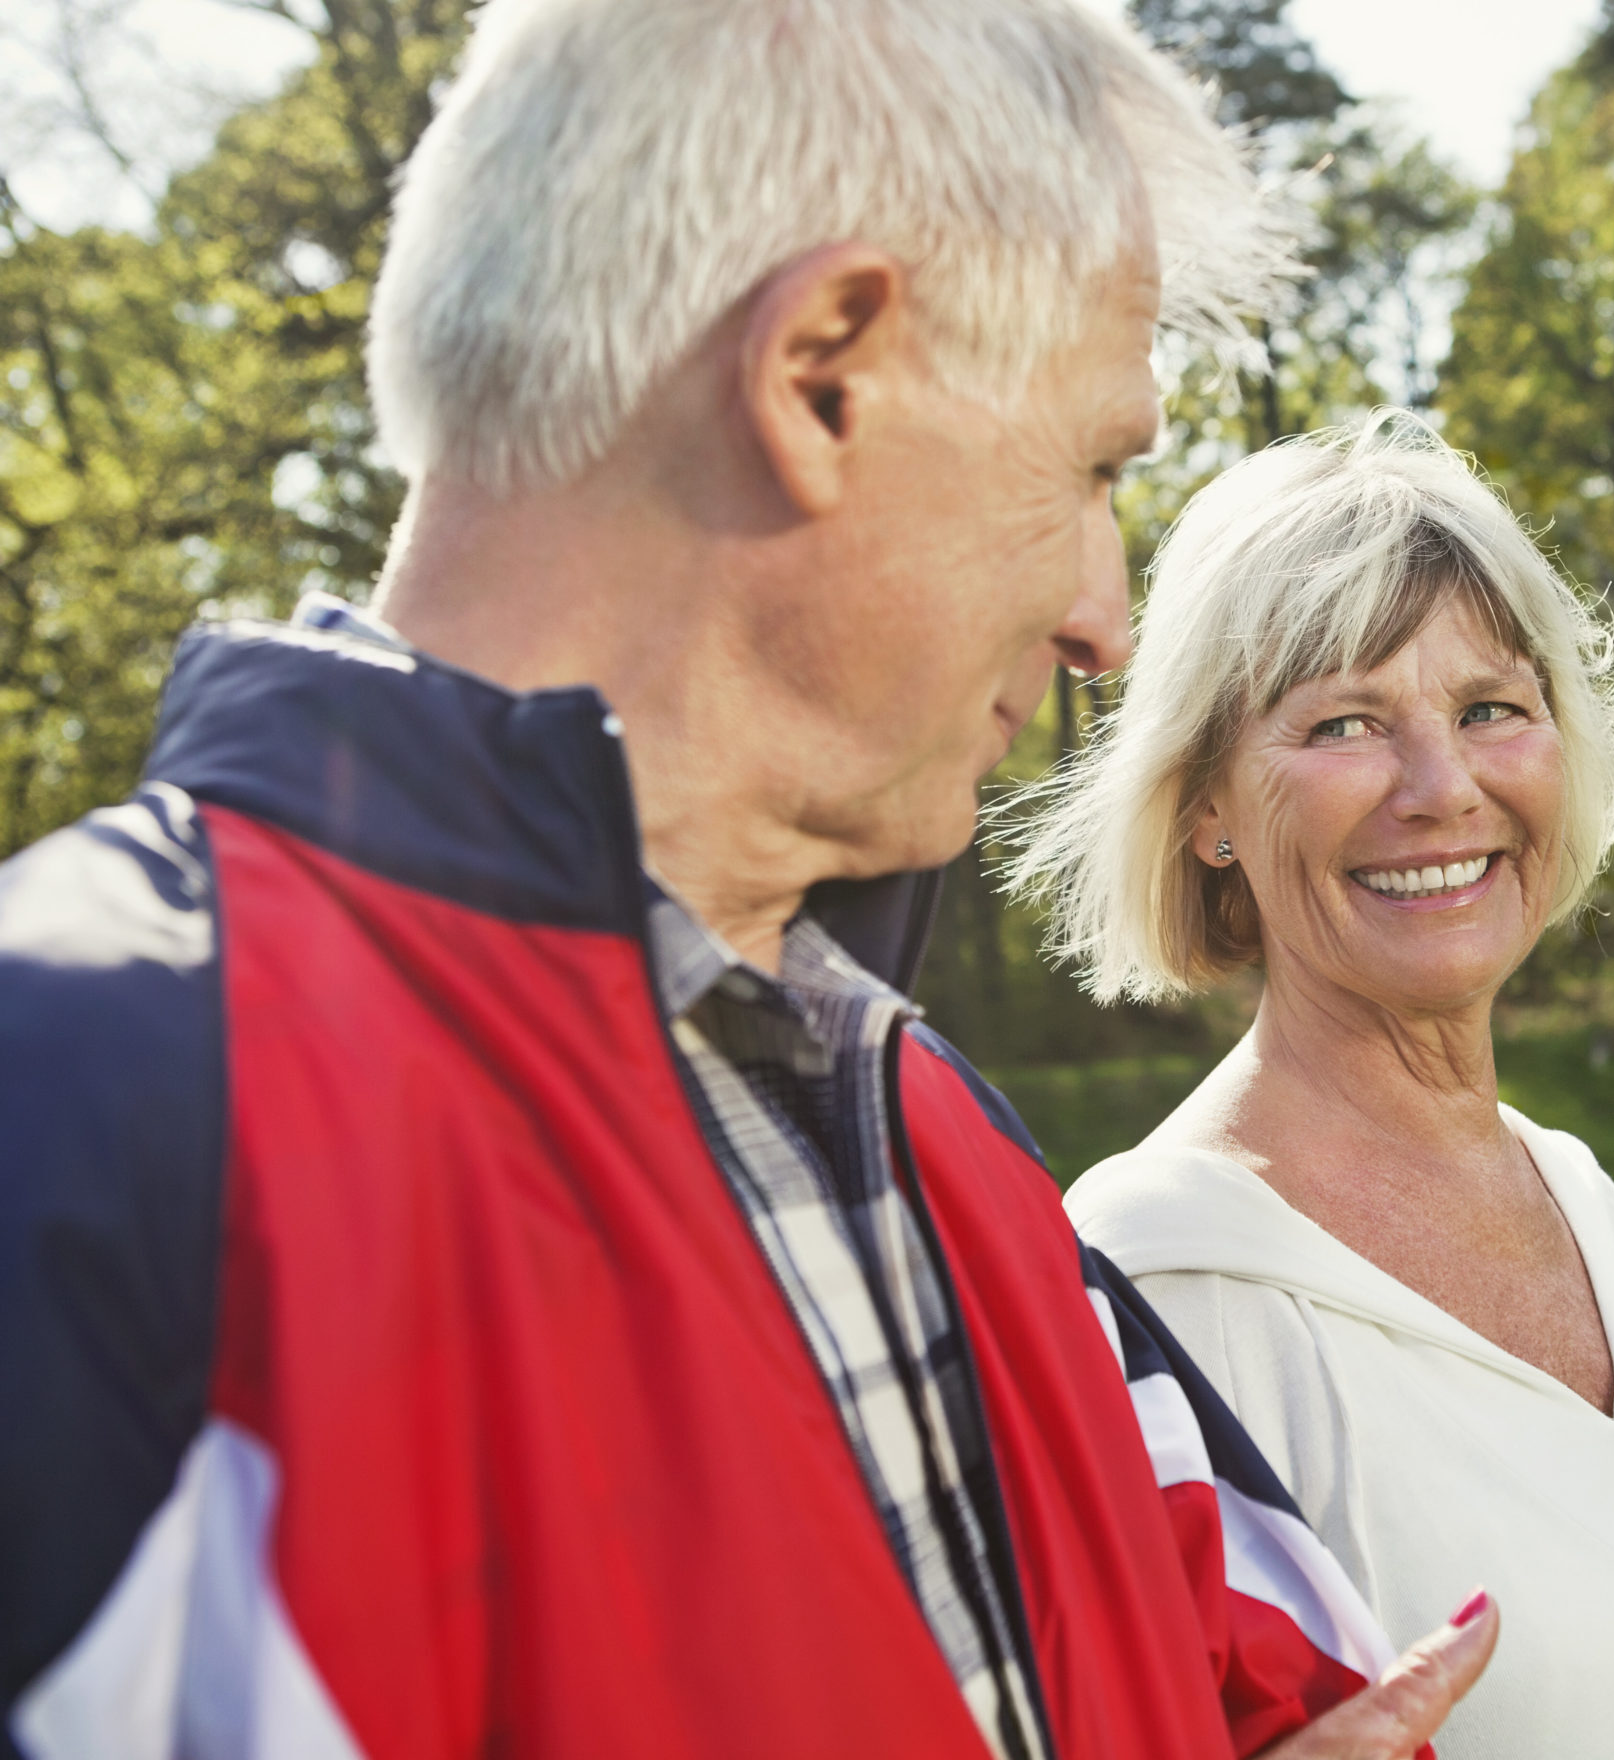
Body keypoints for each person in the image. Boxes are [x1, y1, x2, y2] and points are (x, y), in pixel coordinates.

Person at [0, 3, 1499, 1755]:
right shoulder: (80, 1122)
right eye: (1094, 469)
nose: (1107, 617)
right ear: (820, 375)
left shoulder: (942, 1142)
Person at [1017, 413, 1614, 1760]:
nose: (1440, 787)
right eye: (1344, 722)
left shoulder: (1579, 1195)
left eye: (1490, 710)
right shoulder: (1159, 1291)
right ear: (1205, 807)